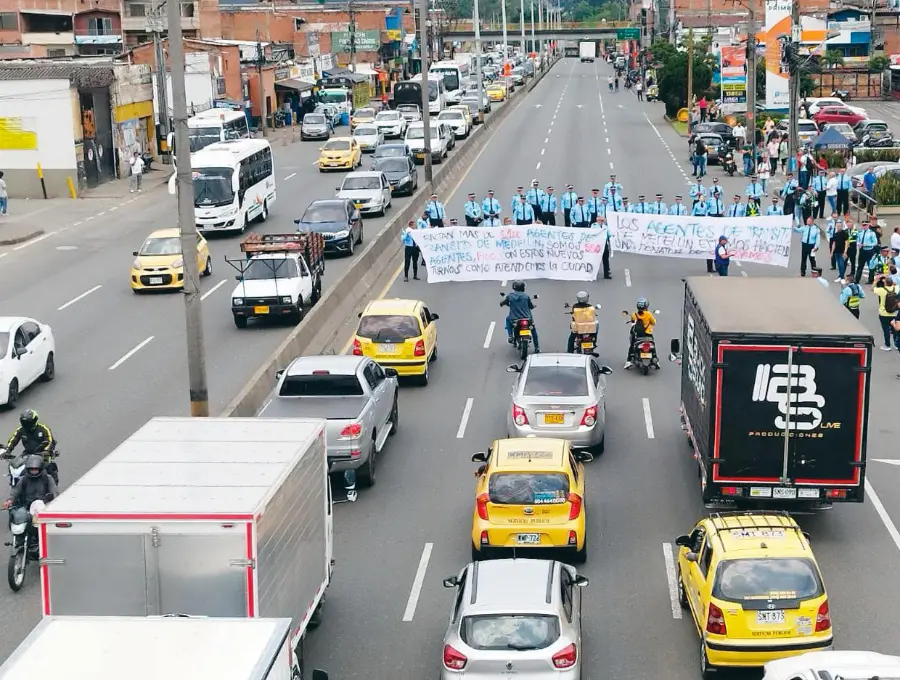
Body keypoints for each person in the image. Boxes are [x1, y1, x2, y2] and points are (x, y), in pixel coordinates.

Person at [2, 454, 57, 557]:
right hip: (27, 507)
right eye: (31, 469)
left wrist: (50, 500)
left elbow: (54, 493)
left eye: (36, 469)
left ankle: (39, 542)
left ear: (41, 468)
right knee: (17, 515)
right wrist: (10, 500)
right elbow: (15, 492)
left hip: (42, 508)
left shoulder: (48, 478)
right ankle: (18, 540)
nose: (33, 471)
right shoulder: (24, 479)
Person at [3, 410, 57, 483]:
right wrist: (7, 451)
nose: (27, 425)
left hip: (43, 454)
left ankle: (53, 484)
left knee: (49, 467)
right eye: (25, 423)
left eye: (29, 422)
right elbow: (13, 440)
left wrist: (46, 451)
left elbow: (50, 441)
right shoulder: (20, 430)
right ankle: (15, 483)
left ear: (35, 420)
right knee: (16, 466)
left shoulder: (44, 429)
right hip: (27, 453)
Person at [501, 280, 540, 352]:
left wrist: (502, 303)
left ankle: (510, 336)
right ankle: (537, 347)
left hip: (514, 319)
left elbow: (504, 302)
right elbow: (531, 306)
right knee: (533, 331)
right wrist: (534, 306)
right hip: (527, 319)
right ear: (523, 288)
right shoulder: (526, 296)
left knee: (507, 319)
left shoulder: (510, 296)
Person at [624, 297, 656, 369]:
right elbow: (654, 322)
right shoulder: (649, 314)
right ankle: (655, 359)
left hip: (637, 335)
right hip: (648, 334)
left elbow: (632, 321)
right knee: (653, 344)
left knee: (632, 345)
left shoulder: (634, 314)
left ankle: (628, 361)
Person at [872, 272, 900, 351]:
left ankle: (887, 345)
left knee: (886, 330)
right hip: (894, 313)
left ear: (885, 283)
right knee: (895, 330)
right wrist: (890, 281)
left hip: (883, 313)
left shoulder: (882, 290)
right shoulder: (896, 289)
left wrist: (876, 281)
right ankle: (896, 344)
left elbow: (872, 288)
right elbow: (896, 284)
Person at [591, 215, 613, 280]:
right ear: (598, 220)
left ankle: (606, 274)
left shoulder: (605, 227)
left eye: (603, 221)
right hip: (597, 245)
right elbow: (592, 234)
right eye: (602, 220)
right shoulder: (593, 226)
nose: (603, 222)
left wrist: (611, 236)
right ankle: (593, 273)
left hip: (604, 244)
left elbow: (608, 234)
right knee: (595, 259)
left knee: (606, 259)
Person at [831, 218, 850, 282]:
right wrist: (832, 252)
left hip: (842, 251)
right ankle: (840, 276)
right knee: (839, 265)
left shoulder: (844, 233)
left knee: (842, 264)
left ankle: (842, 277)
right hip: (836, 251)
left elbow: (847, 242)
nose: (838, 227)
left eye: (839, 226)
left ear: (841, 226)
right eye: (837, 226)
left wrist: (845, 251)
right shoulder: (835, 234)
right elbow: (834, 243)